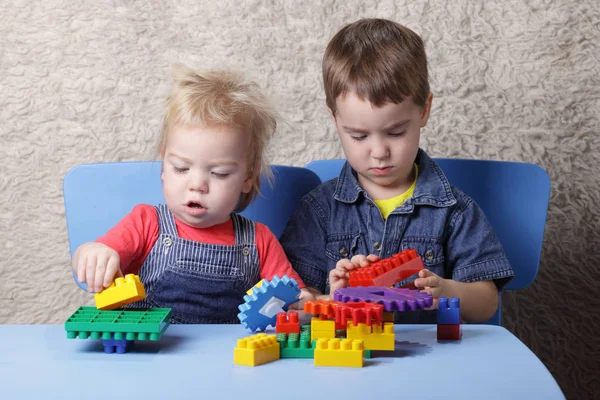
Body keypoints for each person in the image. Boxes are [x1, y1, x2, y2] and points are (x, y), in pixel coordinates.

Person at [279, 18, 514, 323]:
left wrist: (446, 291)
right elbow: (298, 301)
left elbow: (486, 303)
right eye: (359, 136)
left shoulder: (455, 211)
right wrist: (334, 298)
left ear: (424, 111)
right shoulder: (319, 209)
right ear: (335, 120)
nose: (379, 152)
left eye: (395, 132)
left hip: (428, 360)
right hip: (350, 357)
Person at [72, 64, 312, 323]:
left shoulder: (259, 241)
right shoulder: (146, 223)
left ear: (247, 178)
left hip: (224, 358)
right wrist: (93, 253)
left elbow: (295, 298)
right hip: (149, 351)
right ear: (164, 166)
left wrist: (303, 306)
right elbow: (97, 254)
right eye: (181, 168)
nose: (197, 184)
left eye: (219, 173)